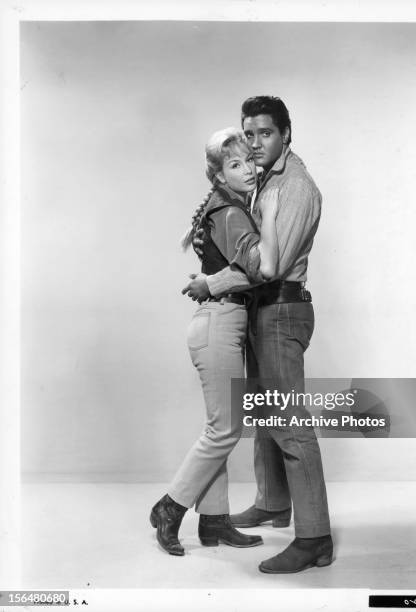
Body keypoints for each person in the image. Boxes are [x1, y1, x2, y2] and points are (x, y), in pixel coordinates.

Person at [183, 96, 333, 574]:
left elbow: (273, 266)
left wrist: (213, 283)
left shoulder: (295, 187)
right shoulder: (259, 180)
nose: (254, 143)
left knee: (290, 423)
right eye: (248, 134)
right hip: (261, 310)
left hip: (281, 308)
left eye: (265, 133)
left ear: (287, 134)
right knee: (265, 415)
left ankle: (314, 539)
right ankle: (273, 504)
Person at [150, 127, 280, 556]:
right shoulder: (231, 213)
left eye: (248, 162)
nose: (246, 170)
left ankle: (215, 521)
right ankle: (170, 507)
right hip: (220, 323)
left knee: (219, 427)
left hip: (221, 322)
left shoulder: (226, 208)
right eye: (234, 164)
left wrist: (211, 280)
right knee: (225, 430)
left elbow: (243, 270)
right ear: (219, 175)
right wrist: (214, 282)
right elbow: (261, 268)